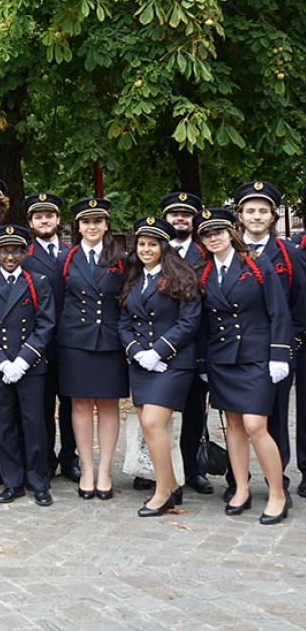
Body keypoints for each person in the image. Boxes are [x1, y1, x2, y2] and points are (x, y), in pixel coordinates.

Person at [195, 207, 292, 524]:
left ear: (231, 232)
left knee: (255, 426)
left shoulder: (256, 264)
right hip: (222, 359)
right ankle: (240, 488)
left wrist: (279, 354)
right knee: (233, 426)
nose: (214, 238)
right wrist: (204, 362)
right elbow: (204, 323)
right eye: (207, 234)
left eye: (219, 232)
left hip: (256, 357)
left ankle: (277, 493)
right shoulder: (205, 273)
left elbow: (279, 311)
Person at [118, 217, 202, 516]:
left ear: (164, 247)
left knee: (154, 423)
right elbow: (124, 322)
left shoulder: (182, 276)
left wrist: (159, 352)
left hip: (173, 362)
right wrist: (137, 352)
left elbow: (189, 321)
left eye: (152, 244)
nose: (146, 249)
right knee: (150, 426)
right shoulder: (134, 278)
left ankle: (162, 491)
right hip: (141, 364)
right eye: (141, 244)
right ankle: (172, 485)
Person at [231, 181, 306, 499]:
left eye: (263, 211)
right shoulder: (228, 250)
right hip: (236, 349)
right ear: (240, 215)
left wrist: (287, 348)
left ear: (273, 216)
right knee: (235, 417)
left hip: (276, 349)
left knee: (274, 415)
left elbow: (300, 306)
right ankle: (238, 480)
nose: (257, 216)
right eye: (250, 210)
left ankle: (280, 482)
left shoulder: (288, 253)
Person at [0, 225, 56, 507]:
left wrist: (22, 360)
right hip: (0, 367)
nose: (10, 256)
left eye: (16, 251)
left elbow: (46, 323)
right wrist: (1, 361)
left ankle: (39, 481)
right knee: (4, 424)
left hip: (29, 365)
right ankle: (12, 480)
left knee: (34, 424)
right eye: (5, 251)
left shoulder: (38, 282)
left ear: (24, 252)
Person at [58, 198, 127, 500]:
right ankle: (86, 468)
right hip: (76, 340)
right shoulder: (68, 257)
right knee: (82, 405)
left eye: (97, 221)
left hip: (110, 340)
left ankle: (106, 470)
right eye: (86, 222)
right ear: (78, 226)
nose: (92, 227)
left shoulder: (121, 258)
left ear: (106, 225)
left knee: (109, 406)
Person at [159, 190, 213, 496]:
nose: (180, 219)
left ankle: (192, 468)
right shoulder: (152, 250)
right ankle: (152, 468)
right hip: (156, 347)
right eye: (174, 214)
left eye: (186, 214)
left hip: (195, 345)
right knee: (158, 411)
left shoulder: (204, 254)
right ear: (165, 219)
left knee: (194, 410)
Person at [22, 192, 79, 483]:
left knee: (70, 405)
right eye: (38, 216)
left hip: (70, 342)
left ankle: (70, 457)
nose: (44, 220)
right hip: (38, 344)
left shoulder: (73, 253)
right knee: (41, 406)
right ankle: (44, 458)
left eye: (49, 215)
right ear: (30, 222)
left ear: (58, 219)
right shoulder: (25, 256)